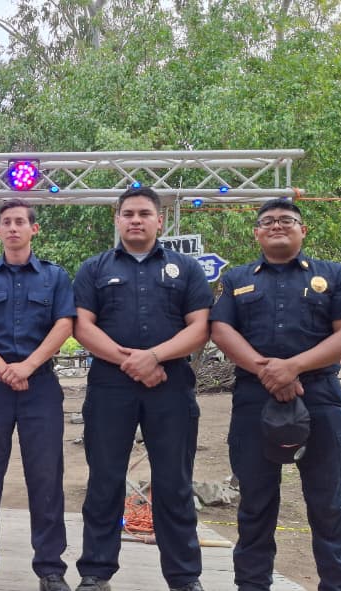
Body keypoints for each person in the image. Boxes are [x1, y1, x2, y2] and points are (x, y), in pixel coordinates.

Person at [209, 199, 341, 591]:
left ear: (303, 230)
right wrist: (268, 371)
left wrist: (292, 367)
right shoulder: (235, 279)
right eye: (268, 221)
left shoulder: (335, 275)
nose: (277, 226)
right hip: (253, 396)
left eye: (287, 220)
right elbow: (221, 331)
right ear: (257, 233)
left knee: (329, 505)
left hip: (319, 397)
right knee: (255, 506)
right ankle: (252, 585)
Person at [71, 186, 212, 591]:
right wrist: (131, 361)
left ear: (159, 221)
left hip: (171, 386)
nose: (136, 220)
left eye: (144, 214)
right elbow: (83, 326)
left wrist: (154, 357)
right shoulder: (94, 269)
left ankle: (184, 577)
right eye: (128, 213)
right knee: (104, 481)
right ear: (117, 220)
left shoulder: (185, 269)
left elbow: (200, 327)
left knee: (174, 483)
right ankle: (95, 573)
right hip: (109, 387)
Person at [0, 199, 76, 591]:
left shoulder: (55, 277)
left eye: (20, 222)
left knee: (45, 478)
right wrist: (2, 368)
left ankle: (50, 569)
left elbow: (64, 324)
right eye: (6, 222)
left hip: (40, 385)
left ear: (33, 229)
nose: (13, 228)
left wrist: (26, 366)